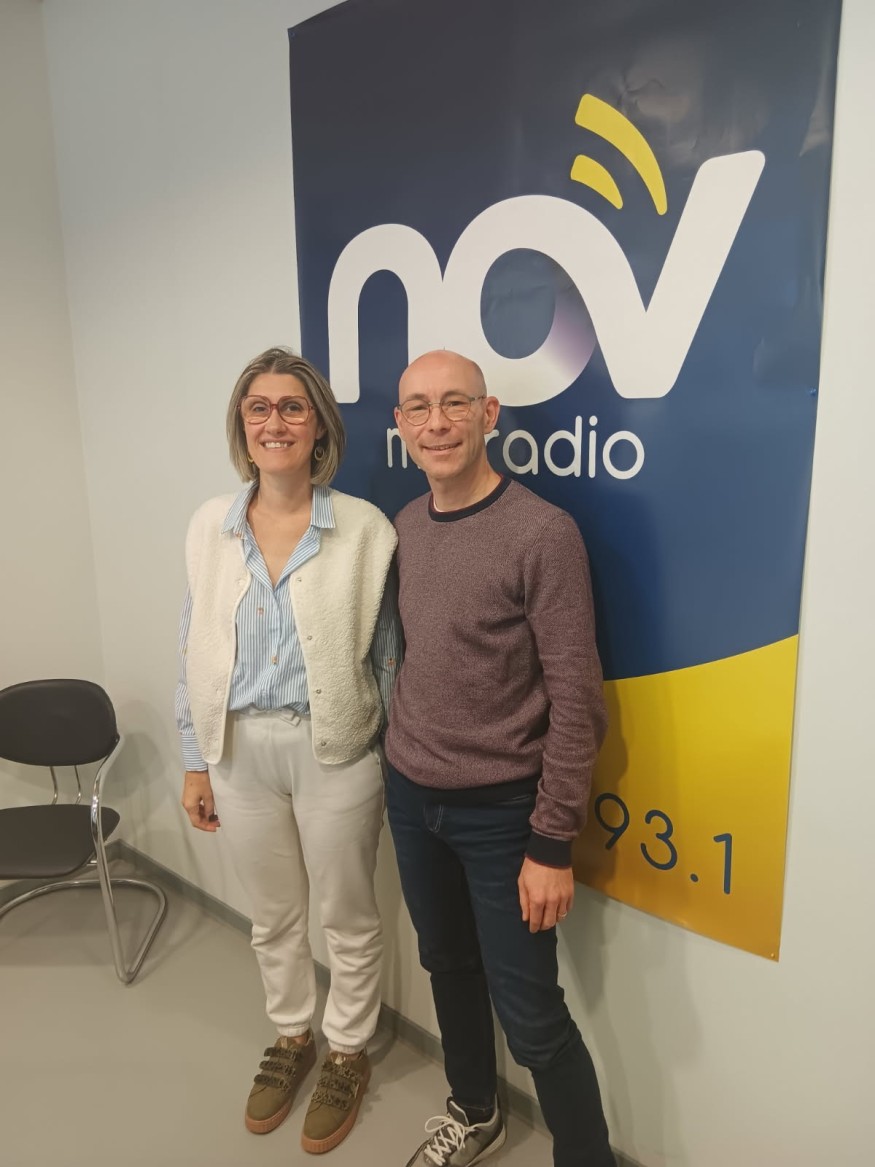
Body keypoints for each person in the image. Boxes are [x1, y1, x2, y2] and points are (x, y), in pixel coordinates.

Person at [385, 350, 615, 1167]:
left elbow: (576, 700)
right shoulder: (406, 524)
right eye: (418, 407)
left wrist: (550, 841)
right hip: (410, 794)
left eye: (454, 403)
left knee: (531, 1014)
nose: (436, 422)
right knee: (445, 962)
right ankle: (474, 1110)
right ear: (399, 424)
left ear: (488, 415)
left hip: (501, 814)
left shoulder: (543, 533)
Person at [175, 347, 401, 1155]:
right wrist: (194, 757)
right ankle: (292, 1034)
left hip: (335, 747)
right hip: (238, 750)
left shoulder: (365, 529)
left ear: (319, 428)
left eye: (292, 407)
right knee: (273, 916)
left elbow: (389, 657)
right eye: (259, 407)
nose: (275, 421)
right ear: (242, 425)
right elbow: (193, 643)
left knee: (347, 913)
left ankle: (346, 1049)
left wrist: (395, 759)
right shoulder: (210, 524)